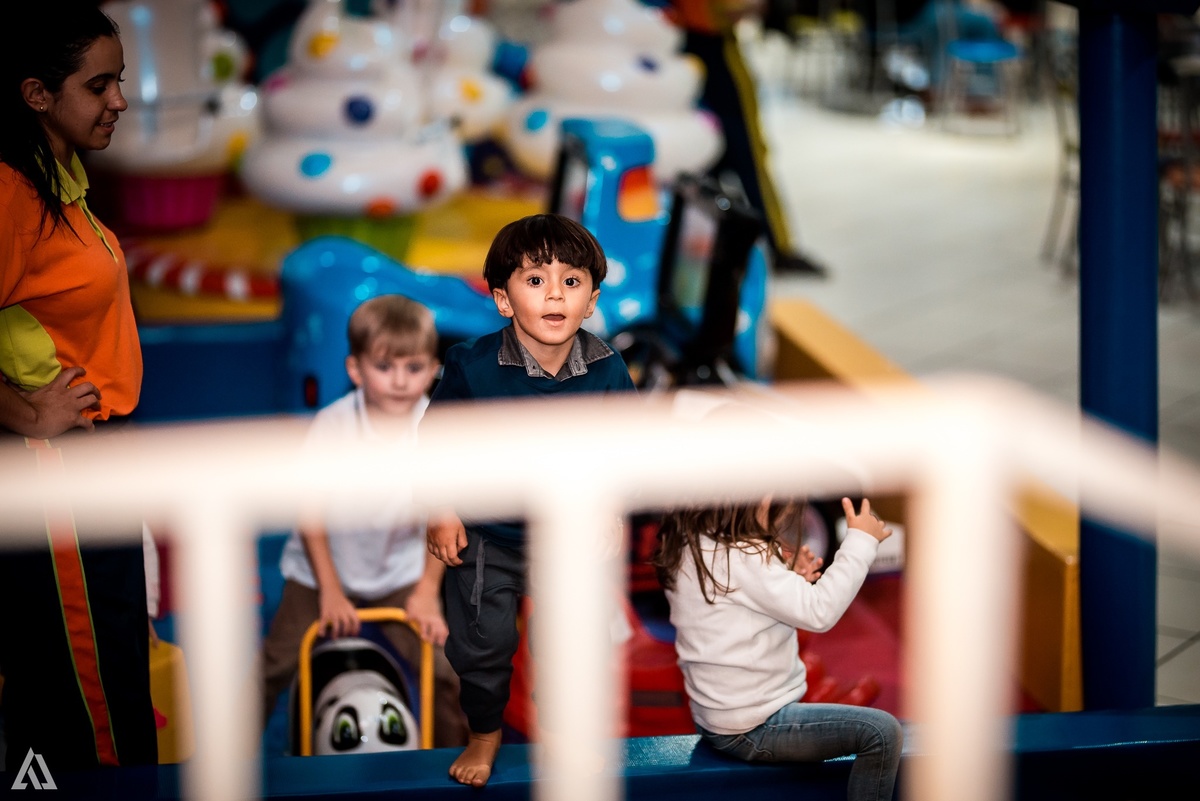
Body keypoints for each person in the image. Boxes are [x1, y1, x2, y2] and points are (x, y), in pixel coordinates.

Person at [0, 0, 158, 772]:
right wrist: (31, 411)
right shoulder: (9, 189)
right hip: (53, 461)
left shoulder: (55, 168)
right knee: (90, 687)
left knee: (120, 650)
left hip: (97, 452)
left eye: (119, 81)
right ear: (36, 93)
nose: (118, 101)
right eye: (100, 86)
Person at [424, 213, 636, 787]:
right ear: (502, 299)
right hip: (488, 534)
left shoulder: (608, 370)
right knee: (481, 645)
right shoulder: (470, 366)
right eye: (535, 279)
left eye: (571, 282)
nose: (554, 294)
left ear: (591, 301)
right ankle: (485, 732)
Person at [259, 294, 469, 749]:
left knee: (446, 673)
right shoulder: (333, 427)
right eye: (384, 367)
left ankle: (451, 766)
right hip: (322, 571)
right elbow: (310, 514)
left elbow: (443, 517)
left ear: (434, 368)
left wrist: (427, 593)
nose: (399, 381)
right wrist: (331, 591)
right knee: (272, 668)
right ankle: (223, 771)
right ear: (355, 370)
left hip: (400, 571)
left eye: (413, 368)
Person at [655, 493, 903, 801]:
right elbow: (819, 612)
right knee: (882, 733)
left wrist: (788, 577)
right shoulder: (744, 554)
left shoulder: (690, 544)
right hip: (755, 727)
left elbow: (735, 607)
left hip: (717, 719)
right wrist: (860, 542)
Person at [662, 0, 829, 276]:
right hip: (710, 47)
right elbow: (733, 8)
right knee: (746, 151)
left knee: (701, 149)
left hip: (677, 49)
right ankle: (777, 246)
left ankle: (707, 237)